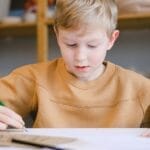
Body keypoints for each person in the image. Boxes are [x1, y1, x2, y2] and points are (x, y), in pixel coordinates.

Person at [0, 0, 150, 132]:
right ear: (58, 35)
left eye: (92, 45)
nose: (80, 57)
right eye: (71, 44)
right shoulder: (34, 78)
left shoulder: (138, 87)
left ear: (111, 39)